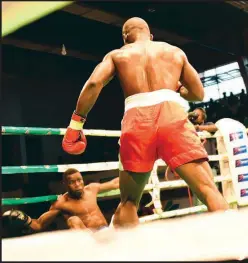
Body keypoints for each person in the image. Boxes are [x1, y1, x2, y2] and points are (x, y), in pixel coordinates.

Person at [62, 17, 228, 228]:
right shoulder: (175, 52)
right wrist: (178, 89)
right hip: (173, 116)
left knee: (129, 202)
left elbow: (94, 83)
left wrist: (76, 124)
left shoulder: (118, 54)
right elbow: (198, 93)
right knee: (208, 190)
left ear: (125, 38)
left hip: (136, 121)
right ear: (150, 35)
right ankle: (236, 251)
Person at [2, 168, 120, 235]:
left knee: (123, 206)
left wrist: (135, 171)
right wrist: (25, 219)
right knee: (73, 220)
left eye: (79, 180)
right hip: (88, 239)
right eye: (72, 182)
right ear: (65, 184)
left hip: (106, 231)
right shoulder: (61, 203)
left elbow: (114, 183)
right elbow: (39, 224)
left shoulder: (92, 189)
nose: (78, 185)